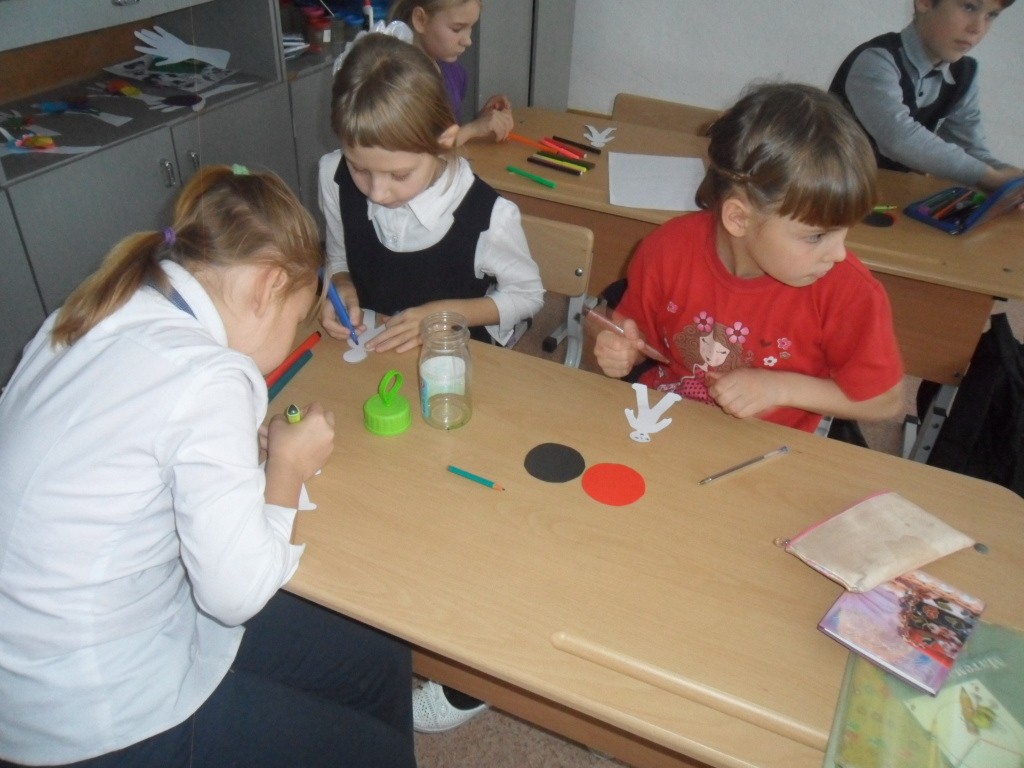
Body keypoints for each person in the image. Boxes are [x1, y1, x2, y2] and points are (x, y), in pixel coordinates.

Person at [0, 165, 415, 767]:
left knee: (378, 654)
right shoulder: (213, 375)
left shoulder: (95, 307)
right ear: (269, 286)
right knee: (373, 752)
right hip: (92, 709)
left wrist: (244, 454)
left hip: (32, 662)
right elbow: (235, 595)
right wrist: (286, 470)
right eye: (299, 314)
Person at [594, 83, 906, 435]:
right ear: (739, 218)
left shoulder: (848, 291)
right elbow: (637, 337)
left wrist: (779, 388)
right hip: (664, 421)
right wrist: (622, 349)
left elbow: (886, 401)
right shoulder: (666, 248)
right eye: (816, 236)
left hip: (766, 443)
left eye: (844, 231)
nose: (839, 253)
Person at [317, 32, 543, 354]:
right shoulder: (334, 175)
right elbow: (339, 256)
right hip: (372, 350)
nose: (377, 193)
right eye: (359, 169)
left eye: (399, 175)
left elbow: (528, 296)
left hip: (455, 359)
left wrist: (441, 315)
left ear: (444, 141)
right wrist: (341, 283)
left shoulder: (487, 216)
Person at [829, 0, 1022, 192]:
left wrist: (1012, 181)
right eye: (969, 7)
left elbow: (970, 150)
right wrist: (988, 177)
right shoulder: (876, 60)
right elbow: (899, 139)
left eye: (991, 15)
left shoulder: (964, 73)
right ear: (925, 2)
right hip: (833, 193)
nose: (977, 28)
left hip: (886, 193)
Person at [389, 0, 514, 145]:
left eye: (471, 27)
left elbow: (447, 133)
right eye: (457, 29)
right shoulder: (399, 83)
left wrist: (484, 120)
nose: (468, 41)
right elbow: (422, 150)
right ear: (420, 19)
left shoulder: (453, 72)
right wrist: (473, 129)